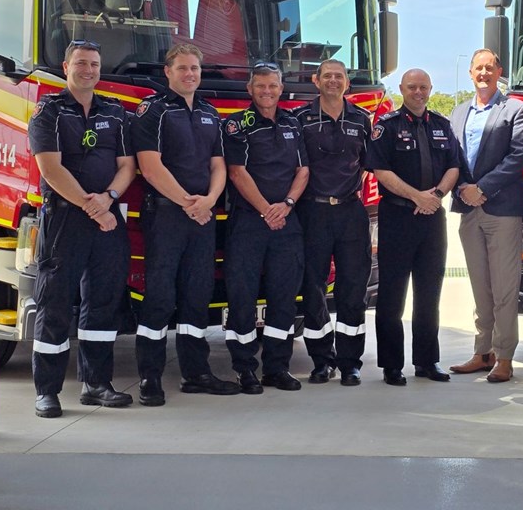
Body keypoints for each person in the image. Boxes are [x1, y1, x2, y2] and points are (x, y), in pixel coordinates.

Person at [28, 40, 136, 418]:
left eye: (94, 63)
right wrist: (92, 206)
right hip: (64, 218)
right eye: (81, 63)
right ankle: (47, 391)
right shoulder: (49, 112)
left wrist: (107, 198)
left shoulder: (115, 112)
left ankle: (97, 384)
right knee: (55, 303)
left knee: (103, 302)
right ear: (66, 66)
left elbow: (127, 166)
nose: (88, 70)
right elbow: (50, 168)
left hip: (107, 214)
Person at [131, 43, 239, 405]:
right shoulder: (154, 111)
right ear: (168, 71)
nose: (190, 74)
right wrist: (187, 203)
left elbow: (218, 165)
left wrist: (208, 200)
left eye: (194, 68)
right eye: (182, 69)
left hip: (203, 215)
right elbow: (149, 165)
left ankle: (197, 373)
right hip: (166, 215)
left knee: (197, 295)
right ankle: (150, 377)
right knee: (160, 296)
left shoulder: (210, 112)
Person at [366, 69, 461, 386]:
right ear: (402, 89)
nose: (418, 92)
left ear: (430, 89)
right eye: (412, 87)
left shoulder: (442, 125)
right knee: (392, 294)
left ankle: (427, 361)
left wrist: (435, 196)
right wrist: (415, 196)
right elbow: (380, 169)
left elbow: (454, 165)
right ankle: (392, 366)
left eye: (423, 87)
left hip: (432, 219)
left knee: (429, 293)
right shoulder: (387, 126)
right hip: (398, 217)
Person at [222, 62, 308, 394]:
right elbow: (237, 172)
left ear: (281, 88)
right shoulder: (235, 124)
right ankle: (245, 369)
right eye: (261, 86)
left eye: (273, 86)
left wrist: (285, 205)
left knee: (284, 297)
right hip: (249, 223)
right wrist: (266, 210)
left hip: (286, 221)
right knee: (242, 297)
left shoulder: (292, 123)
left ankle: (277, 367)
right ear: (250, 89)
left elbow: (303, 171)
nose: (267, 92)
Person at [449, 50, 523, 383]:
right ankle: (482, 351)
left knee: (504, 288)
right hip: (468, 210)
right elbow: (451, 159)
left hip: (501, 209)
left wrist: (481, 188)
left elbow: (518, 157)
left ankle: (505, 356)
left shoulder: (516, 110)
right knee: (480, 286)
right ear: (470, 73)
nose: (483, 73)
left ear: (500, 71)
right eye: (478, 68)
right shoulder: (458, 113)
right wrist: (461, 190)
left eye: (489, 68)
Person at [294, 59, 373, 387]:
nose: (333, 81)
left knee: (353, 287)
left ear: (346, 83)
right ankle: (321, 360)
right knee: (313, 287)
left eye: (338, 76)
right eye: (327, 76)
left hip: (350, 212)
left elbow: (369, 165)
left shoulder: (362, 119)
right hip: (312, 212)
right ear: (316, 80)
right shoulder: (300, 119)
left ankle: (350, 362)